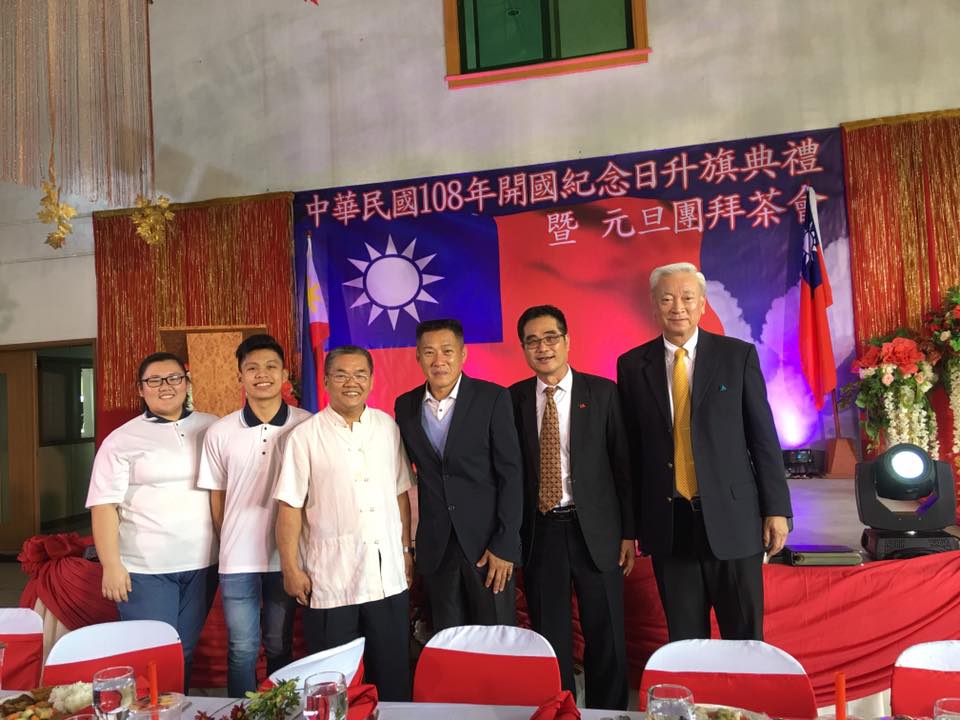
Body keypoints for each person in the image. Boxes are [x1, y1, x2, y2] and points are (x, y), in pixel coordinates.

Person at [616, 262, 792, 641]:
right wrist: (629, 528)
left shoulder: (737, 356)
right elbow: (631, 454)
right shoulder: (632, 365)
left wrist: (776, 508)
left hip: (734, 521)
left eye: (687, 298)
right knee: (685, 641)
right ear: (654, 305)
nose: (677, 307)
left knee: (744, 637)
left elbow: (762, 438)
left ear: (702, 304)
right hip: (670, 524)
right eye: (667, 299)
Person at [509, 305, 634, 710]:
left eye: (550, 338)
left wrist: (628, 532)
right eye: (532, 341)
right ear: (524, 349)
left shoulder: (603, 393)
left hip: (596, 529)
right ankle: (560, 710)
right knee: (551, 636)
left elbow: (623, 467)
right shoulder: (512, 399)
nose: (542, 347)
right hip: (541, 531)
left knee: (606, 633)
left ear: (567, 340)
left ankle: (609, 713)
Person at [275, 345, 414, 701]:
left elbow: (400, 493)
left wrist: (406, 550)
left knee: (393, 678)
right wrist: (290, 568)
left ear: (371, 380)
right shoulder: (305, 436)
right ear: (325, 381)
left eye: (360, 374)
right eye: (341, 375)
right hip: (331, 580)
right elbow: (289, 507)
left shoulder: (387, 427)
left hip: (386, 578)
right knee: (333, 684)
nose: (351, 383)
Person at [87, 351, 219, 689]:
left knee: (184, 652)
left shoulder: (212, 427)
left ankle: (177, 709)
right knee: (152, 657)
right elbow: (103, 505)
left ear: (187, 383)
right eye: (154, 380)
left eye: (174, 378)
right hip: (146, 568)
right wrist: (111, 565)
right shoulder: (122, 440)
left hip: (203, 563)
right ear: (140, 389)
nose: (165, 386)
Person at [197, 334, 311, 696]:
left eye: (271, 367)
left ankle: (281, 708)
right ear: (240, 376)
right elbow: (217, 496)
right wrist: (228, 538)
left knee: (279, 645)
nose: (262, 375)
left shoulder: (306, 425)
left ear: (285, 374)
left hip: (286, 557)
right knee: (242, 649)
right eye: (252, 368)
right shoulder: (220, 432)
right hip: (238, 560)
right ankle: (240, 711)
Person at [394, 318, 523, 630]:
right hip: (437, 548)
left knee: (495, 639)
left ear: (463, 354)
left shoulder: (493, 398)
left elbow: (511, 474)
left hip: (487, 547)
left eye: (447, 351)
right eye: (429, 352)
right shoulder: (405, 405)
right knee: (449, 640)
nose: (438, 360)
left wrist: (505, 542)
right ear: (417, 356)